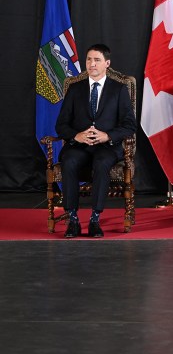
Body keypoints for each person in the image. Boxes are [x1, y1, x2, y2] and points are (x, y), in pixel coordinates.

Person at [55, 44, 136, 238]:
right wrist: (76, 136)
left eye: (97, 60)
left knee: (101, 163)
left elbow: (129, 125)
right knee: (69, 161)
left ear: (107, 63)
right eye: (89, 60)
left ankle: (95, 219)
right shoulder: (75, 89)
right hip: (79, 145)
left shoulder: (119, 89)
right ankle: (72, 219)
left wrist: (108, 136)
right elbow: (61, 125)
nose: (92, 64)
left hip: (107, 146)